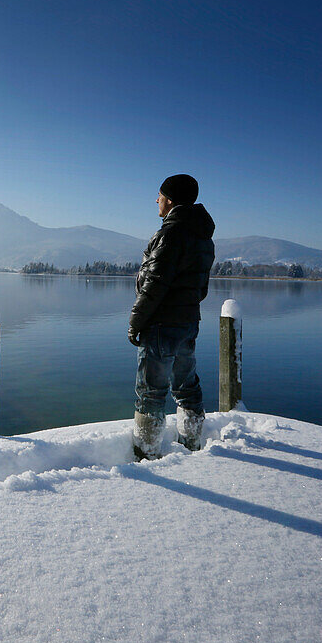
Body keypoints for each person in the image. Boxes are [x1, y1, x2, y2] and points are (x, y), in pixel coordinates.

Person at [128, 174, 215, 460]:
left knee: (150, 393)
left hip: (161, 324)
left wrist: (135, 323)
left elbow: (154, 285)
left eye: (160, 195)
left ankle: (146, 455)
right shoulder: (203, 238)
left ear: (171, 200)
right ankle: (190, 446)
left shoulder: (170, 233)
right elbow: (200, 289)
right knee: (187, 387)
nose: (156, 200)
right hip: (189, 323)